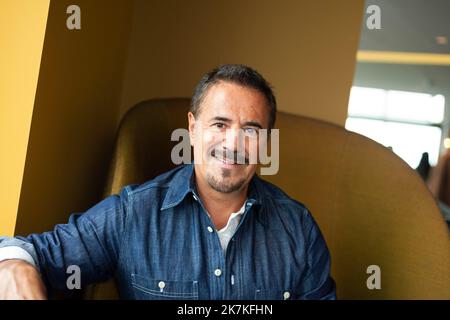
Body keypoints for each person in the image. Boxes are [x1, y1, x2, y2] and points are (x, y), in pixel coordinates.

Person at [0, 64, 336, 300]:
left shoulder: (299, 229)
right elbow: (32, 251)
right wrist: (14, 266)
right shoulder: (132, 214)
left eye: (250, 130)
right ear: (192, 128)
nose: (234, 144)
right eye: (219, 124)